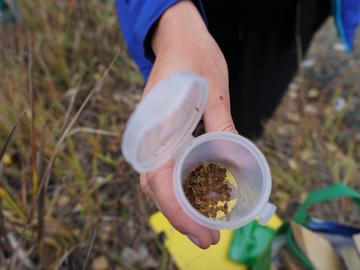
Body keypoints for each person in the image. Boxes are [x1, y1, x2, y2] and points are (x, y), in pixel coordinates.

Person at [116, 0, 360, 249]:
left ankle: (240, 130)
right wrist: (172, 20)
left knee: (250, 112)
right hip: (208, 12)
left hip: (295, 17)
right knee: (194, 98)